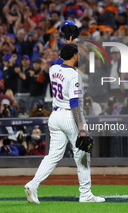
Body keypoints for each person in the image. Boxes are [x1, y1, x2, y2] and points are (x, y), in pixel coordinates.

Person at [24, 43, 105, 203]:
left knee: (53, 155)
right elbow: (75, 103)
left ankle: (33, 184)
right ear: (74, 56)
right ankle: (86, 194)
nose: (79, 57)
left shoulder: (54, 69)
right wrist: (82, 128)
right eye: (78, 54)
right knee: (82, 155)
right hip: (69, 116)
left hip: (55, 116)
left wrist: (68, 46)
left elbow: (59, 61)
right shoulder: (74, 75)